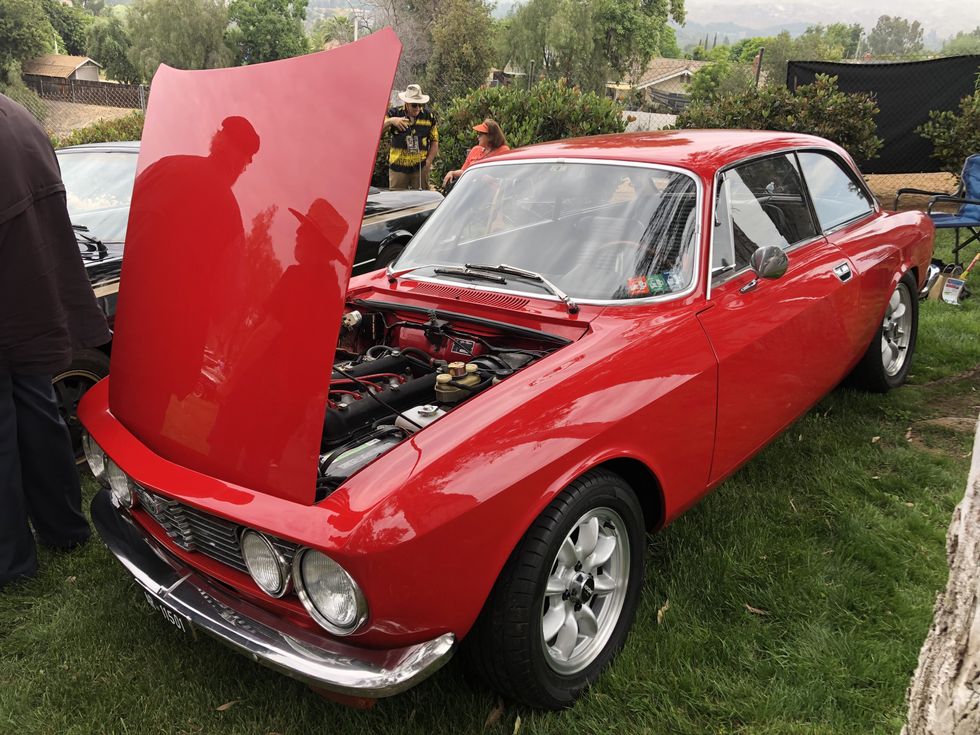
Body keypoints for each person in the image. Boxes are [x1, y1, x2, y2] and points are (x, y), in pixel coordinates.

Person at [0, 93, 111, 587]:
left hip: (13, 285)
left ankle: (12, 564)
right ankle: (65, 529)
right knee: (36, 404)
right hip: (30, 291)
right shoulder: (17, 113)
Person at [384, 84, 439, 190]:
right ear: (407, 103)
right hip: (398, 168)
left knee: (421, 201)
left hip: (420, 167)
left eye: (420, 104)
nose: (418, 108)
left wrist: (428, 163)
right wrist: (391, 121)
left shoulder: (429, 117)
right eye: (414, 105)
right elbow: (378, 131)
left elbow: (434, 141)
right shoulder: (394, 113)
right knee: (397, 200)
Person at [442, 119, 510, 187]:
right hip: (472, 188)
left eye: (481, 135)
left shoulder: (503, 150)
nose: (478, 137)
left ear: (490, 137)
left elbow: (505, 175)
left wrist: (489, 178)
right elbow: (465, 171)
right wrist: (452, 173)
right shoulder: (475, 149)